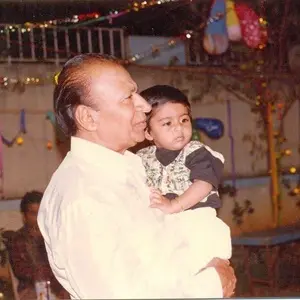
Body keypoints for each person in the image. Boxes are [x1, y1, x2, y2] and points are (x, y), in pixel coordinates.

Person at [37, 53, 236, 299]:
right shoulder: (83, 196)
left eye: (137, 93)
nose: (144, 105)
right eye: (128, 98)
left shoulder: (128, 166)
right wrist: (212, 284)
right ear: (88, 117)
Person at [136, 85, 231, 290]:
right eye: (167, 123)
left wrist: (175, 204)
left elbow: (204, 183)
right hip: (165, 228)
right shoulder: (142, 158)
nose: (178, 128)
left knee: (200, 275)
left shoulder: (196, 152)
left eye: (184, 120)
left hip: (196, 222)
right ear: (148, 133)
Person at [7, 191, 69, 300]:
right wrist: (51, 281)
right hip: (32, 289)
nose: (38, 218)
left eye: (41, 213)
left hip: (59, 286)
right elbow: (21, 270)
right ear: (24, 216)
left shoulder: (54, 235)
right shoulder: (18, 239)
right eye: (33, 214)